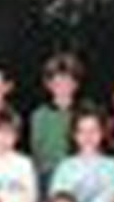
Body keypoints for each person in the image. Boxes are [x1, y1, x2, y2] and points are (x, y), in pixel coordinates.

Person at [29, 53, 83, 190]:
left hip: (80, 171)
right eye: (57, 83)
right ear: (48, 85)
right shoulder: (39, 115)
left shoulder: (84, 112)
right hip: (49, 174)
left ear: (75, 85)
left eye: (67, 83)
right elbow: (37, 151)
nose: (63, 88)